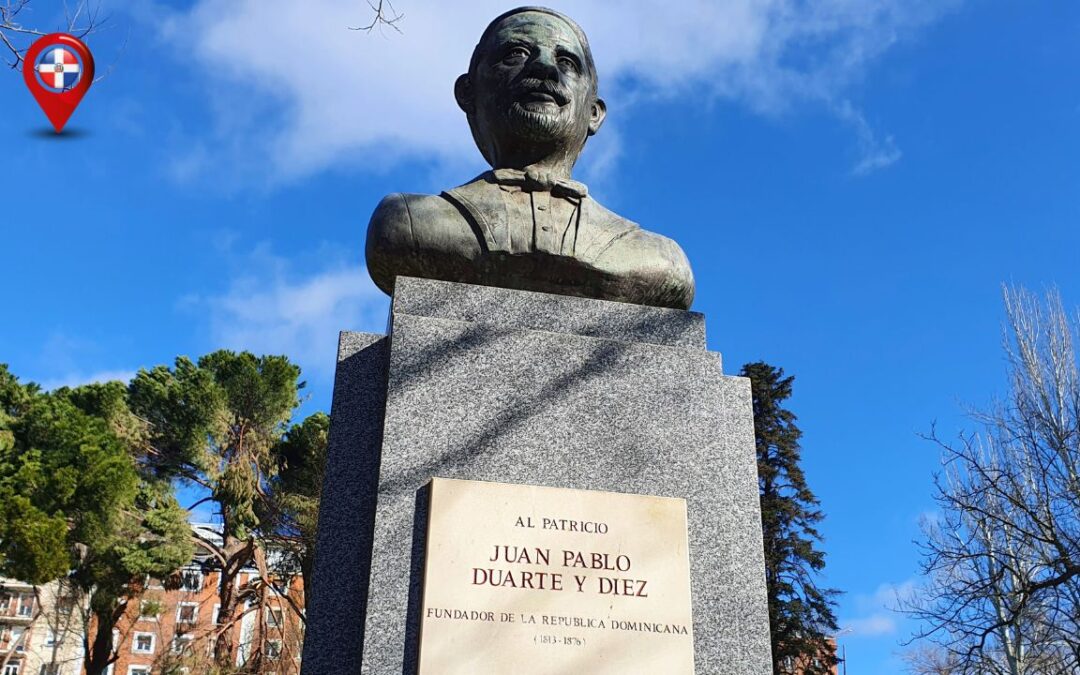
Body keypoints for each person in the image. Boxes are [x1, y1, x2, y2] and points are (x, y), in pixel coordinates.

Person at [365, 7, 695, 310]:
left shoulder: (660, 259)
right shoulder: (408, 224)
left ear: (594, 113)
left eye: (567, 62)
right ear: (468, 92)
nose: (544, 68)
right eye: (516, 54)